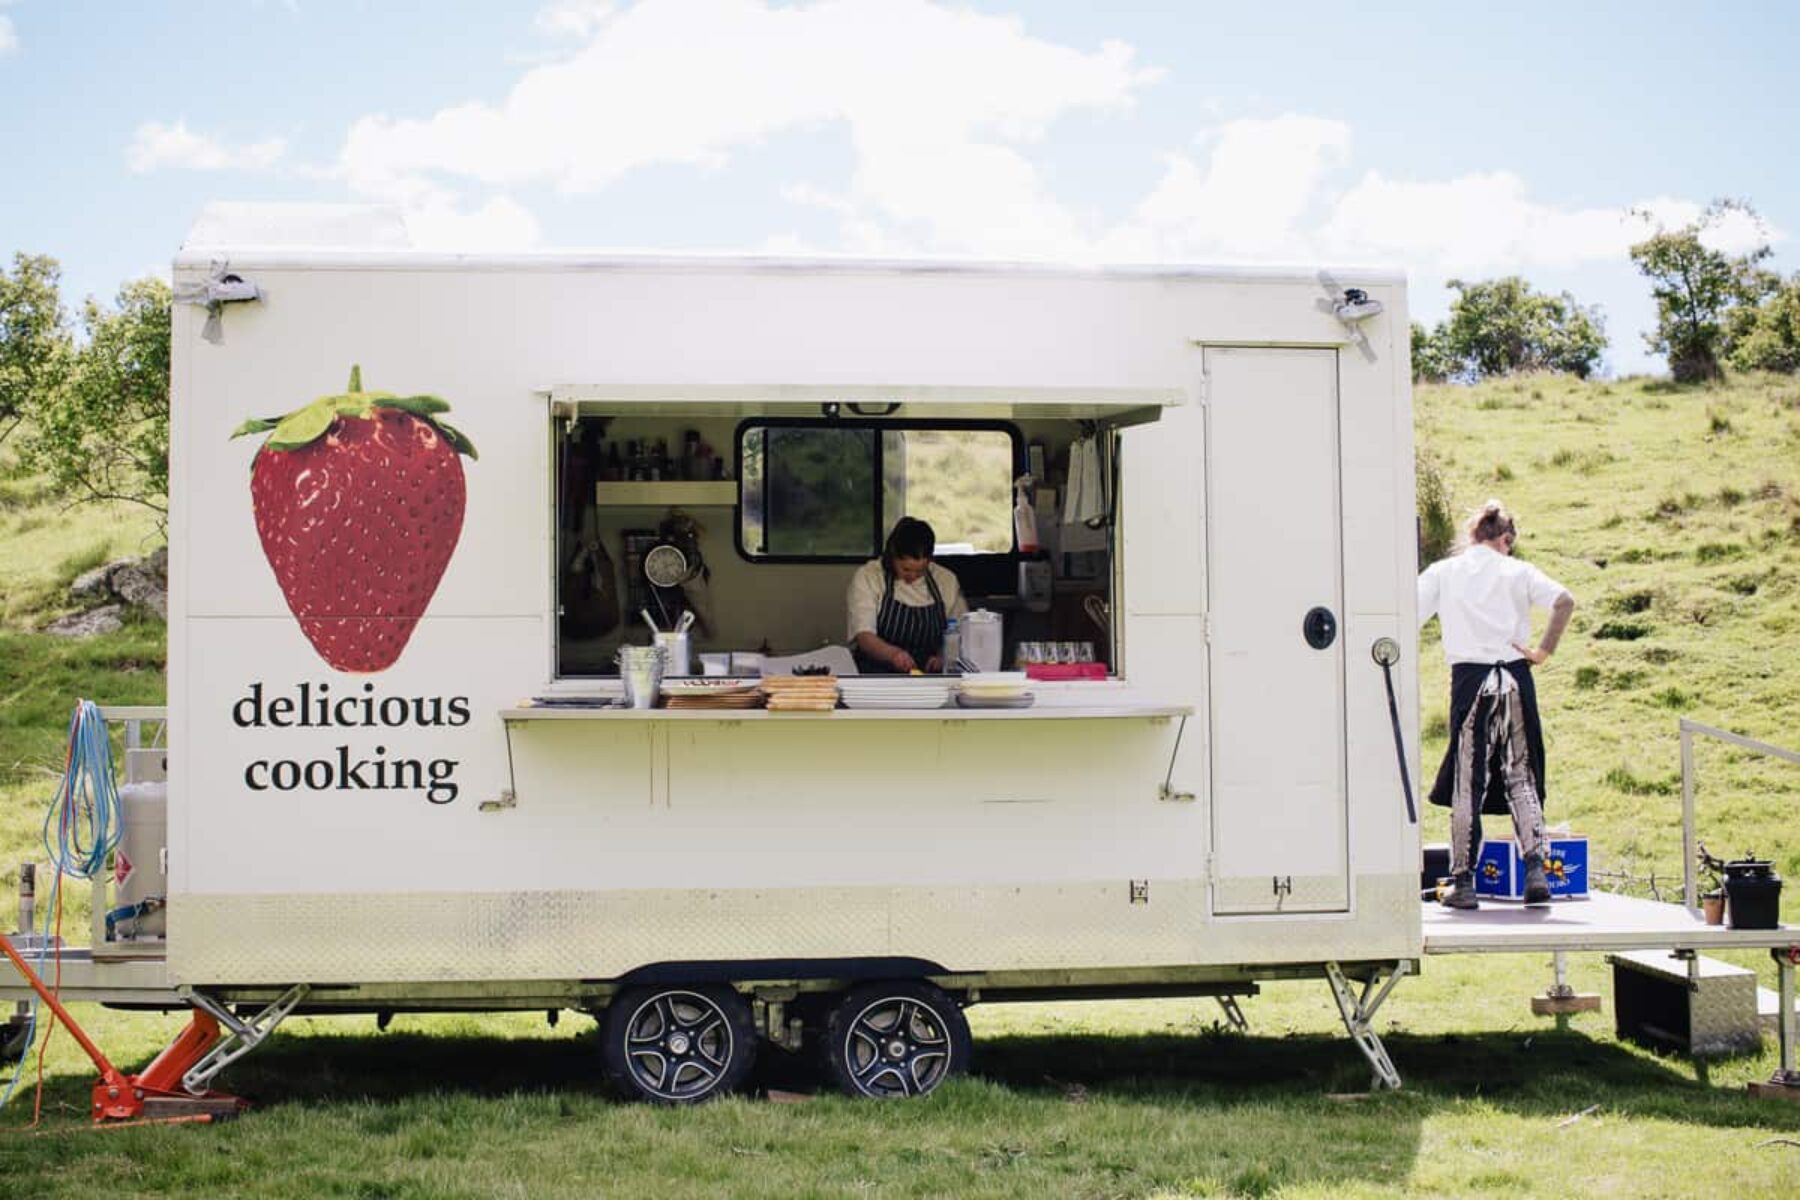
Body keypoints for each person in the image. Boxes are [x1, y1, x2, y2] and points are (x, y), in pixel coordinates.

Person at [1418, 499, 1576, 911]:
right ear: (1505, 539)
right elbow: (1564, 601)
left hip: (1471, 677)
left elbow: (1407, 612)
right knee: (1519, 774)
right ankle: (1536, 870)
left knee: (1467, 780)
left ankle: (1464, 879)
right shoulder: (1517, 570)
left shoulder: (1445, 572)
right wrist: (1543, 651)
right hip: (1515, 676)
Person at [848, 517, 969, 673]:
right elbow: (864, 635)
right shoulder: (869, 577)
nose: (912, 576)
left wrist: (943, 657)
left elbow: (961, 631)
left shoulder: (946, 580)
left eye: (920, 571)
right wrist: (893, 654)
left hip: (928, 675)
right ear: (892, 556)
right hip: (876, 673)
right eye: (906, 569)